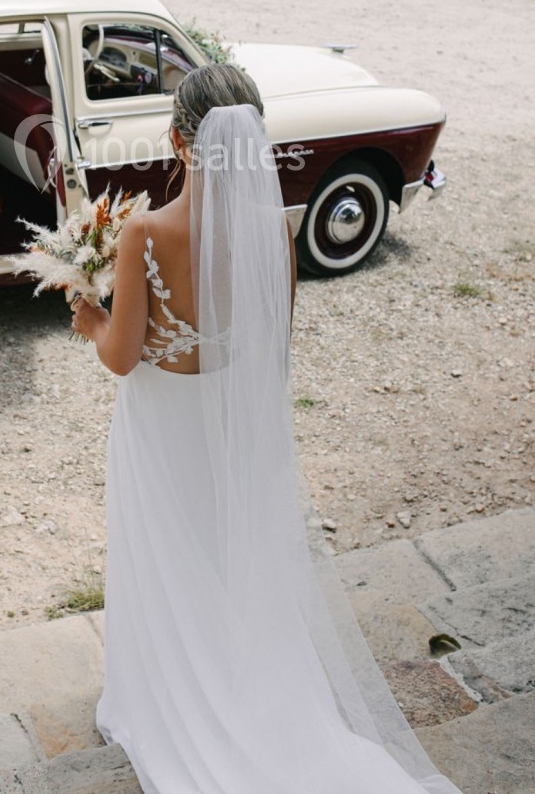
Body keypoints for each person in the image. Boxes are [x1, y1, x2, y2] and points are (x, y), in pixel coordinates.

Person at [72, 63, 462, 794]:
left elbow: (123, 359)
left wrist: (91, 317)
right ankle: (244, 684)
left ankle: (167, 694)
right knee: (228, 560)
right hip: (231, 427)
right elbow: (272, 357)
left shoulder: (147, 232)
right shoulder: (274, 230)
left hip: (162, 425)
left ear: (178, 141)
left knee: (165, 555)